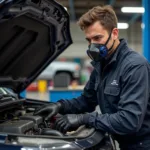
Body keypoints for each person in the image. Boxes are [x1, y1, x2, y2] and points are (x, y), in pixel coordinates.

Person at [34, 5, 150, 150]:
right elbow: (86, 100)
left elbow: (129, 120)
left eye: (97, 38)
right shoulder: (101, 64)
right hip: (123, 141)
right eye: (89, 40)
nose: (92, 45)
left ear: (114, 33)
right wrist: (60, 106)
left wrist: (84, 118)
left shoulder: (135, 66)